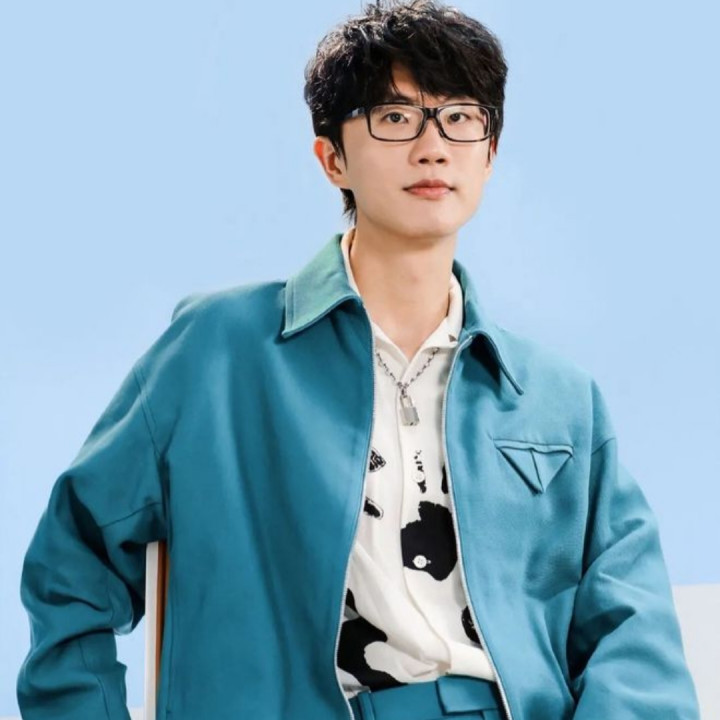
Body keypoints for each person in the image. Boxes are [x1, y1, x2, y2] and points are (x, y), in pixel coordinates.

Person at [17, 1, 700, 719]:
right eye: (395, 117)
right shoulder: (217, 352)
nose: (433, 146)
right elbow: (72, 564)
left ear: (490, 153)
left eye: (460, 117)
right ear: (331, 158)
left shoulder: (558, 398)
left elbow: (635, 635)